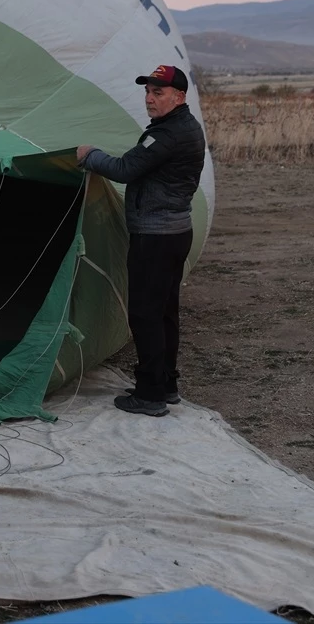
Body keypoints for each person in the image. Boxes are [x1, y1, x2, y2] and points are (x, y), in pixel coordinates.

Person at [76, 64, 206, 417]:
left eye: (158, 93)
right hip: (175, 231)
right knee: (165, 313)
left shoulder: (166, 135)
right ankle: (167, 385)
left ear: (179, 96)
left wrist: (90, 156)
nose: (149, 99)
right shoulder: (183, 127)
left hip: (156, 236)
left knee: (146, 314)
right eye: (148, 92)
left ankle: (150, 395)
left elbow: (124, 169)